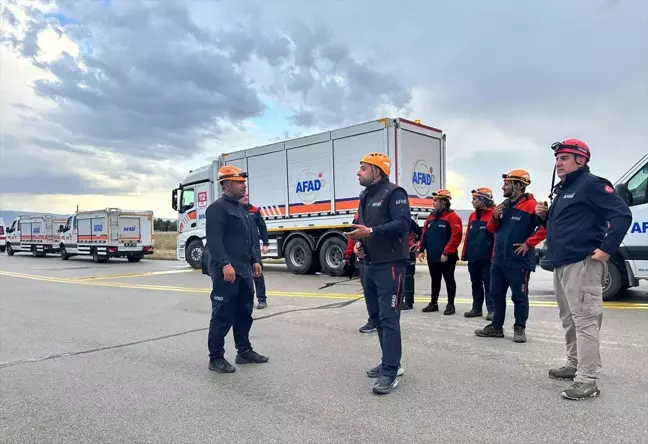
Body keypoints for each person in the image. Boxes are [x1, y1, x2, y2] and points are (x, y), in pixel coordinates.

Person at [536, 139, 632, 401]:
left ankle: (588, 379)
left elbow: (622, 215)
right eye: (557, 159)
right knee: (569, 319)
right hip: (561, 262)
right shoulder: (563, 190)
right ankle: (574, 363)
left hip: (582, 263)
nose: (558, 163)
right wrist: (542, 215)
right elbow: (566, 225)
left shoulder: (592, 185)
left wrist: (606, 249)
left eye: (564, 158)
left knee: (585, 320)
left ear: (581, 160)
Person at [346, 152, 412, 395]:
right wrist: (361, 244)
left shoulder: (394, 193)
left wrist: (371, 232)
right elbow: (364, 228)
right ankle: (390, 361)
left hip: (391, 266)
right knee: (377, 317)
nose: (358, 172)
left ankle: (390, 372)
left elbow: (403, 224)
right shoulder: (365, 195)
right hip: (370, 265)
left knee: (389, 318)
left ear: (377, 171)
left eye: (363, 168)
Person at [205, 165, 268, 373]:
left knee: (244, 312)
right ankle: (216, 358)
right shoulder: (217, 209)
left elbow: (248, 238)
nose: (244, 185)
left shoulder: (242, 209)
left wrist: (255, 259)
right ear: (227, 184)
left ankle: (244, 351)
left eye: (243, 182)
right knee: (223, 314)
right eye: (240, 182)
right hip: (227, 271)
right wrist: (225, 264)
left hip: (243, 269)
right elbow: (214, 241)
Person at [474, 170, 546, 343]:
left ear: (518, 185)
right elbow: (491, 230)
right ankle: (496, 327)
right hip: (498, 260)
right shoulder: (503, 206)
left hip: (518, 262)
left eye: (507, 184)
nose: (503, 187)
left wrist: (529, 243)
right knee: (496, 294)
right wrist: (495, 218)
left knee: (519, 296)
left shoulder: (532, 206)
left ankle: (519, 329)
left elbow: (545, 227)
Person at [417, 189, 463, 315]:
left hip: (447, 257)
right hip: (433, 256)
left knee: (449, 279)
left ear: (444, 202)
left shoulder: (453, 217)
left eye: (436, 200)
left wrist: (447, 253)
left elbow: (456, 236)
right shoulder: (431, 217)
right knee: (435, 280)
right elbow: (424, 235)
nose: (434, 203)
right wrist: (421, 250)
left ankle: (450, 304)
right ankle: (434, 303)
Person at [462, 187, 496, 319]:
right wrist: (465, 254)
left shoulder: (494, 214)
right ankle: (476, 308)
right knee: (475, 283)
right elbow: (468, 237)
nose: (472, 202)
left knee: (489, 284)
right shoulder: (472, 216)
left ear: (483, 199)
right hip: (473, 257)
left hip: (488, 258)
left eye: (475, 199)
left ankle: (491, 310)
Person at [345, 213, 377, 334]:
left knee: (381, 292)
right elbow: (353, 237)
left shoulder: (378, 213)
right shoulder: (358, 216)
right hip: (363, 261)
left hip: (379, 260)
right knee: (369, 292)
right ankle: (373, 321)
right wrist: (349, 253)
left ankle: (385, 321)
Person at [241, 194, 270, 309]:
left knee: (257, 274)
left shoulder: (254, 210)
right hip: (241, 248)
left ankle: (262, 299)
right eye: (243, 196)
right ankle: (246, 301)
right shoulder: (236, 210)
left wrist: (266, 243)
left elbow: (262, 227)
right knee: (243, 276)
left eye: (247, 196)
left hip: (254, 248)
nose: (246, 197)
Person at [401, 218, 423, 311]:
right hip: (397, 253)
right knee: (399, 278)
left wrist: (417, 244)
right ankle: (399, 301)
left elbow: (421, 232)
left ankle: (409, 302)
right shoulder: (393, 220)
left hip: (409, 253)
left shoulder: (409, 221)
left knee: (408, 278)